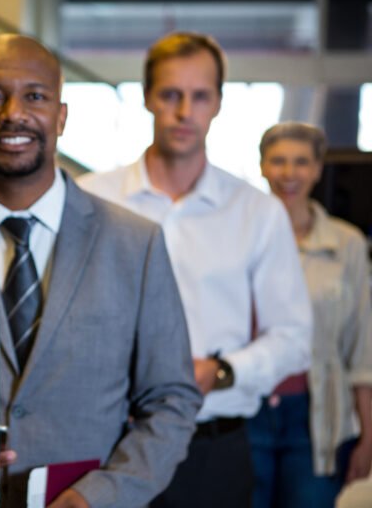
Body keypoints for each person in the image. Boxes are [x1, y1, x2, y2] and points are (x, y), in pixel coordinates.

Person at [0, 33, 202, 508]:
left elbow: (172, 399)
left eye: (35, 96)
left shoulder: (136, 243)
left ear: (61, 116)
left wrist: (102, 496)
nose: (12, 113)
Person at [78, 32, 313, 508]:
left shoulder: (256, 211)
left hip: (213, 447)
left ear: (219, 103)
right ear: (147, 98)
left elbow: (294, 337)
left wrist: (221, 371)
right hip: (104, 443)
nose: (185, 111)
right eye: (170, 94)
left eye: (200, 96)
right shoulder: (88, 199)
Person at [250, 121, 372, 508]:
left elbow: (362, 346)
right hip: (244, 412)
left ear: (318, 169)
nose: (289, 173)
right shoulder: (237, 236)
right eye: (279, 161)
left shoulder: (346, 244)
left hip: (316, 416)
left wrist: (369, 436)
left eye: (301, 162)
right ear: (262, 166)